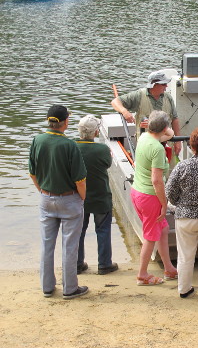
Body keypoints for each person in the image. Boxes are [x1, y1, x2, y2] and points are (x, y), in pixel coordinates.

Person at [29, 105, 89, 299]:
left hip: (46, 198)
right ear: (66, 122)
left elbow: (32, 172)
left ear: (49, 121)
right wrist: (82, 198)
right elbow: (80, 180)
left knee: (47, 245)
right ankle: (70, 288)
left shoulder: (37, 140)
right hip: (69, 199)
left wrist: (42, 191)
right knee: (69, 245)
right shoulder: (70, 145)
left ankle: (47, 287)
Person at [165, 128, 198, 299]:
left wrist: (179, 204)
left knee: (185, 256)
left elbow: (170, 192)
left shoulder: (182, 166)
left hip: (185, 216)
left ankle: (184, 288)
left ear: (192, 147)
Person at [131, 110, 177, 285]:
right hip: (149, 197)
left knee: (163, 230)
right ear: (164, 128)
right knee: (150, 237)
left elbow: (170, 134)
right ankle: (142, 275)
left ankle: (169, 268)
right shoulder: (157, 148)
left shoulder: (144, 137)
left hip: (137, 192)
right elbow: (157, 180)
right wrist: (164, 204)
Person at [76, 115, 118, 276]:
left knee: (79, 230)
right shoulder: (102, 149)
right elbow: (107, 163)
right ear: (95, 133)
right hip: (101, 196)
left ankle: (78, 263)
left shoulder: (72, 147)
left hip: (80, 197)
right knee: (103, 229)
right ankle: (104, 264)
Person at [110, 70, 181, 155]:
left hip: (166, 144)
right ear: (154, 84)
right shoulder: (139, 95)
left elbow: (175, 119)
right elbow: (115, 102)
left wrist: (178, 141)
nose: (166, 86)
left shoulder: (168, 97)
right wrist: (124, 111)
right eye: (163, 84)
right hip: (146, 146)